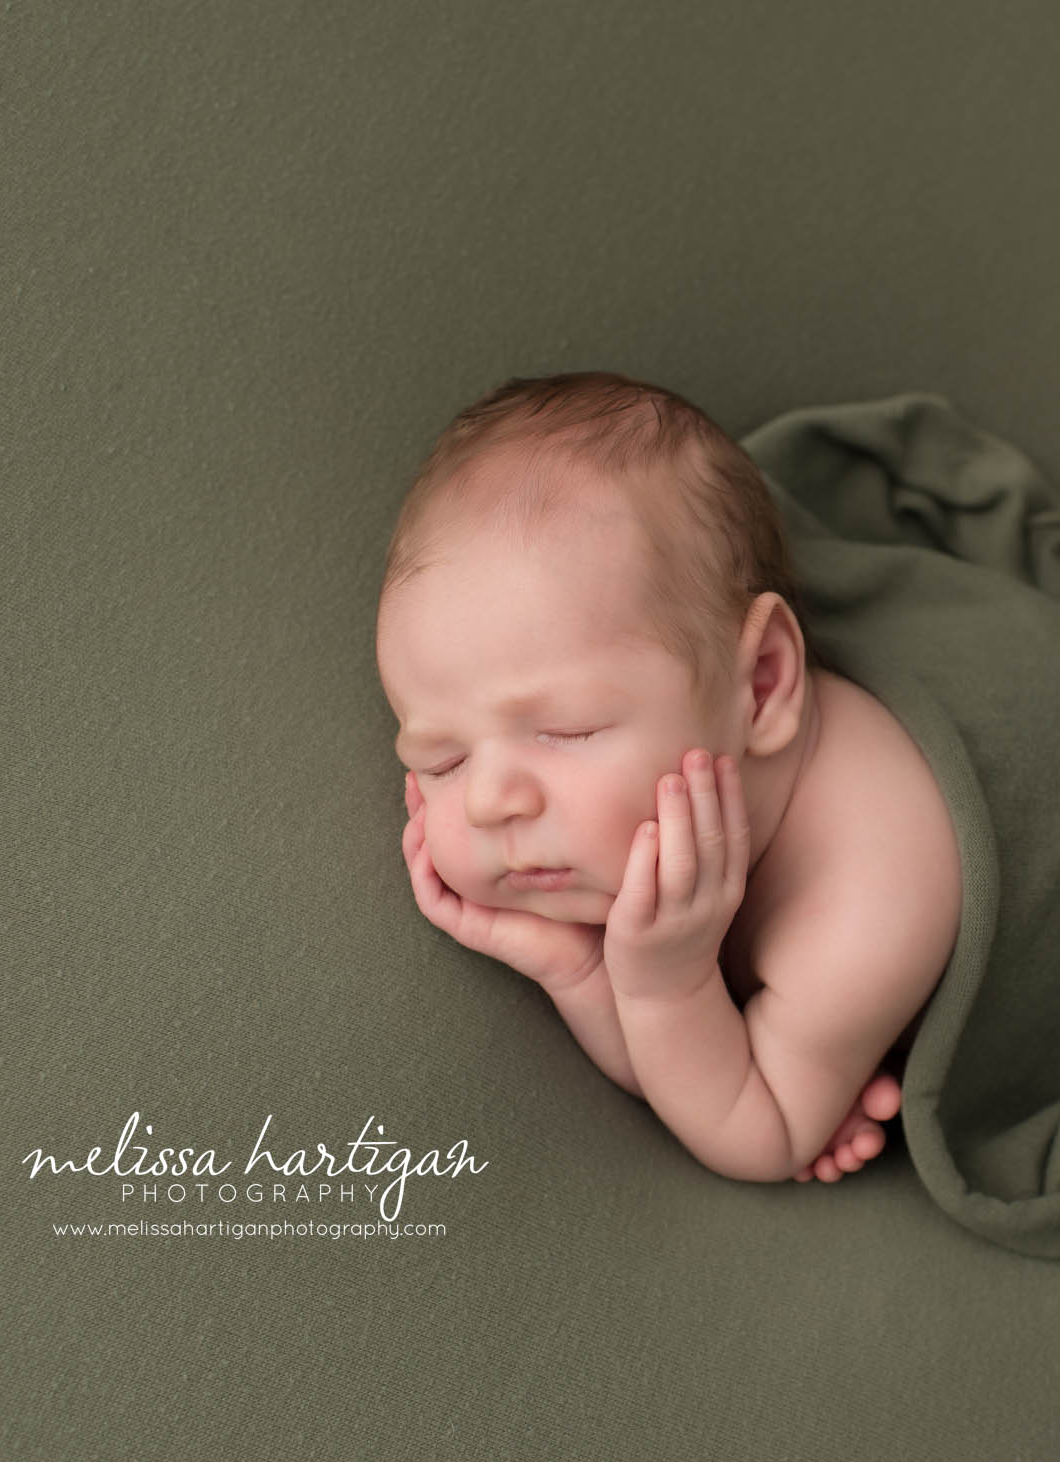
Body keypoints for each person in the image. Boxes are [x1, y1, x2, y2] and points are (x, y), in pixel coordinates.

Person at [375, 371, 961, 1185]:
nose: (488, 801)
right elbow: (691, 1080)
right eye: (439, 760)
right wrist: (580, 969)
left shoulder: (867, 896)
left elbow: (766, 1135)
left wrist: (670, 987)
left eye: (567, 728)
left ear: (758, 686)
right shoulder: (658, 833)